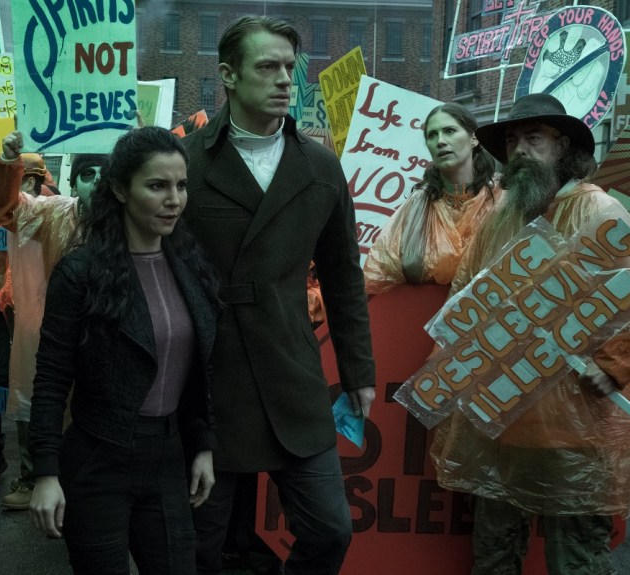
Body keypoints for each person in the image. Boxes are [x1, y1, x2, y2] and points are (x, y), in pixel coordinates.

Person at [430, 93, 630, 574]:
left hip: (577, 433)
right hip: (504, 423)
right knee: (494, 554)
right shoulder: (502, 216)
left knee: (575, 561)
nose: (519, 149)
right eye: (512, 139)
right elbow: (466, 295)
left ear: (562, 147)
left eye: (533, 138)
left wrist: (610, 368)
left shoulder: (597, 211)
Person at [182, 16, 376, 574]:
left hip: (291, 371)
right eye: (268, 66)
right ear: (228, 75)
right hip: (209, 377)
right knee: (197, 544)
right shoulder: (187, 162)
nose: (285, 79)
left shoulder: (319, 165)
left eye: (290, 67)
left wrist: (358, 371)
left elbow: (343, 278)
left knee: (331, 530)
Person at [27, 127, 219, 575]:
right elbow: (51, 378)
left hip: (169, 456)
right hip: (98, 459)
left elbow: (199, 371)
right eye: (157, 186)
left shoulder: (191, 266)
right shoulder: (81, 272)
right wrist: (46, 473)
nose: (174, 199)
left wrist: (203, 445)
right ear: (119, 189)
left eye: (181, 185)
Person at [0, 134, 104, 511]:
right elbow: (9, 211)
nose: (98, 183)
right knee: (41, 399)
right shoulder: (55, 213)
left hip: (107, 337)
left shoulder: (134, 219)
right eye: (88, 174)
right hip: (54, 331)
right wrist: (8, 164)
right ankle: (33, 478)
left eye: (106, 174)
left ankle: (87, 487)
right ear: (74, 182)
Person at [363, 103, 500, 293]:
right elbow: (378, 272)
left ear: (474, 138)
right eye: (432, 135)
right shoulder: (418, 202)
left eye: (449, 131)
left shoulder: (501, 198)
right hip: (416, 310)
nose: (440, 141)